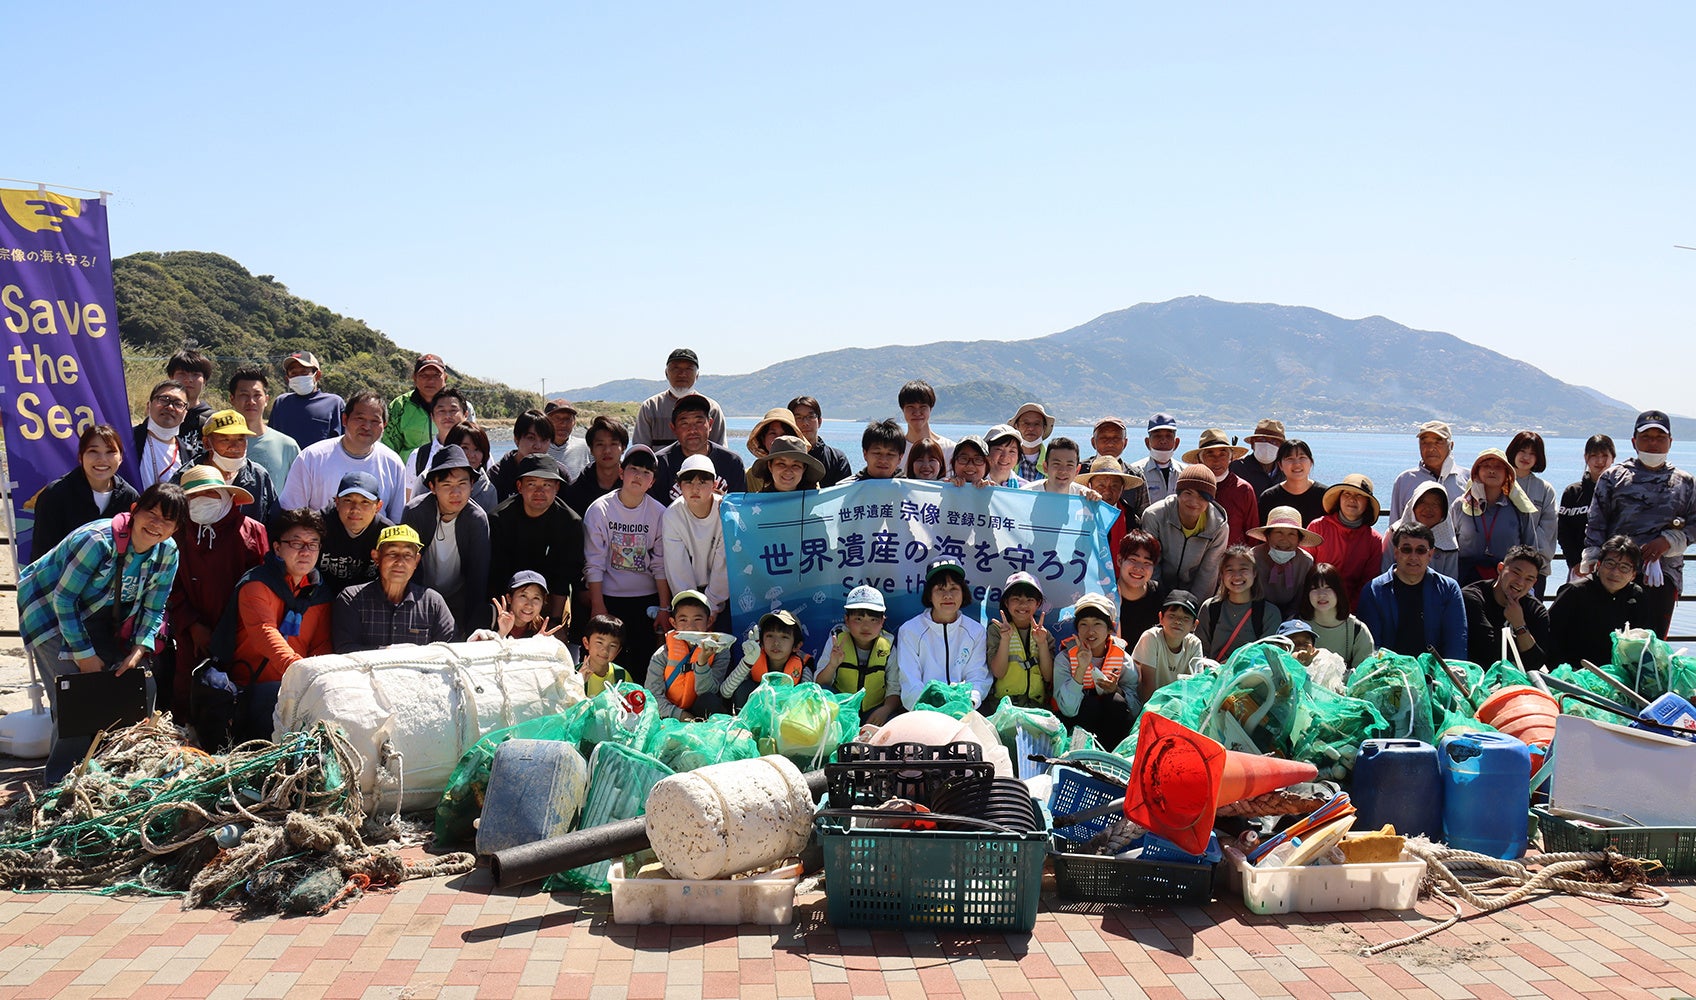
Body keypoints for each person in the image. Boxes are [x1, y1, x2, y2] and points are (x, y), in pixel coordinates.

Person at [18, 483, 185, 782]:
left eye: (168, 520)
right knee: (77, 697)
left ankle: (111, 771)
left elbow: (154, 607)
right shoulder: (97, 541)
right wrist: (84, 657)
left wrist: (138, 649)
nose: (157, 525)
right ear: (135, 511)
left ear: (176, 528)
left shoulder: (168, 553)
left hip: (97, 613)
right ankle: (61, 782)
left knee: (136, 685)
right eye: (151, 513)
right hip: (48, 611)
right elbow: (64, 599)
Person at [1580, 409, 1695, 639]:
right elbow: (1596, 524)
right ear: (1634, 441)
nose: (1653, 443)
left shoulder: (1685, 482)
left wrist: (1669, 541)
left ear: (1670, 442)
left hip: (1662, 577)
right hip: (1614, 576)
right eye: (1646, 437)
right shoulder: (1613, 477)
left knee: (1652, 646)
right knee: (1609, 642)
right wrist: (1593, 563)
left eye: (1660, 437)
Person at [225, 507, 336, 742]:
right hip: (254, 689)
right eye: (297, 543)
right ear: (277, 547)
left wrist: (317, 683)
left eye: (313, 544)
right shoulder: (256, 584)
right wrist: (303, 674)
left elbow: (321, 646)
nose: (306, 551)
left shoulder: (320, 593)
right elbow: (265, 633)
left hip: (299, 692)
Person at [167, 466, 269, 715]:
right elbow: (170, 586)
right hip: (191, 632)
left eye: (211, 493)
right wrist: (192, 625)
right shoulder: (177, 534)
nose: (201, 500)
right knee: (188, 686)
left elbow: (263, 585)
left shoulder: (252, 531)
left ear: (226, 495)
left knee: (238, 686)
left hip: (241, 630)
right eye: (192, 496)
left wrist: (235, 630)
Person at [583, 445, 671, 678]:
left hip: (646, 601)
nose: (639, 476)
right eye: (633, 469)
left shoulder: (659, 513)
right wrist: (597, 604)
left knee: (644, 664)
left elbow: (660, 563)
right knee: (608, 665)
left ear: (652, 482)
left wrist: (664, 607)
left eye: (646, 472)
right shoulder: (599, 510)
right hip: (610, 599)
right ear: (621, 472)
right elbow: (594, 562)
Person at [488, 454, 586, 632]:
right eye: (532, 484)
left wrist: (555, 621)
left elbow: (564, 576)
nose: (540, 491)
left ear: (557, 487)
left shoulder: (570, 522)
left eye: (547, 485)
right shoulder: (499, 519)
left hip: (549, 595)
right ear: (520, 486)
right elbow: (497, 573)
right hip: (510, 596)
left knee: (557, 632)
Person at [401, 446, 490, 640]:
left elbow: (478, 578)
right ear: (432, 487)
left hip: (459, 596)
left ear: (472, 484)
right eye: (447, 485)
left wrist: (473, 628)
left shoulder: (476, 519)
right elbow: (407, 568)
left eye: (462, 484)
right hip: (420, 594)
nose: (456, 492)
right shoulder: (415, 512)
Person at [279, 390, 408, 522]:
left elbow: (397, 519)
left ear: (384, 425)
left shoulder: (393, 463)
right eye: (360, 418)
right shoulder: (312, 457)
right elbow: (291, 512)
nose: (367, 426)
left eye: (375, 421)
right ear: (345, 419)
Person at [331, 524, 456, 652]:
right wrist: (389, 651)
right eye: (392, 553)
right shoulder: (352, 599)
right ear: (376, 557)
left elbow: (449, 651)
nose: (400, 562)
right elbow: (344, 650)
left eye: (407, 555)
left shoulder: (433, 603)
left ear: (416, 561)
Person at [27, 424, 140, 564]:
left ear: (121, 458)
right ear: (80, 457)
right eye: (93, 451)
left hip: (111, 583)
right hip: (64, 582)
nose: (102, 459)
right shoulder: (55, 494)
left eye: (110, 452)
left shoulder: (129, 497)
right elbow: (42, 554)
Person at [1357, 523, 1467, 659]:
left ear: (1430, 554)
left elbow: (1456, 643)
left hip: (1435, 674)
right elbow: (1371, 647)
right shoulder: (1373, 591)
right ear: (1396, 553)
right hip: (1388, 673)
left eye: (1421, 550)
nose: (1413, 557)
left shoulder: (1449, 589)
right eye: (1406, 549)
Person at [893, 559, 989, 710]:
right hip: (922, 713)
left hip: (963, 710)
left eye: (954, 588)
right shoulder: (910, 630)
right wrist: (929, 709)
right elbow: (910, 681)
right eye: (940, 589)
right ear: (929, 595)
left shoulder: (976, 631)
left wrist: (967, 703)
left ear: (963, 592)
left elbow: (977, 677)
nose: (948, 596)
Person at [1550, 535, 1647, 669]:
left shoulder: (1636, 595)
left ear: (1633, 575)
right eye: (1610, 564)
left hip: (1617, 675)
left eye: (1624, 567)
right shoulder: (1574, 592)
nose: (1615, 572)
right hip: (1574, 672)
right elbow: (1549, 637)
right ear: (1599, 565)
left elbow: (1645, 642)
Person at [1054, 593, 1134, 749]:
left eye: (1097, 624)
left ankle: (1112, 757)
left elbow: (1135, 705)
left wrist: (1116, 689)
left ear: (1110, 628)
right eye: (1084, 624)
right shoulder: (1064, 659)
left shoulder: (1123, 658)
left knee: (1116, 702)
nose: (1090, 631)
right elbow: (1068, 710)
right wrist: (1081, 669)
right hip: (1076, 726)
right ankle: (1078, 755)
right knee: (1089, 705)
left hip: (1110, 730)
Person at [813, 585, 901, 725]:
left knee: (897, 721)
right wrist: (832, 665)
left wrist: (885, 709)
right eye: (859, 619)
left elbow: (894, 688)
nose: (866, 626)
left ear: (882, 621)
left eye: (873, 620)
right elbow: (820, 684)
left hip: (874, 712)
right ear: (846, 620)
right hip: (840, 710)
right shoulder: (836, 642)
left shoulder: (888, 646)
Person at [179, 409, 281, 528]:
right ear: (207, 443)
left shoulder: (258, 476)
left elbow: (274, 522)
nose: (234, 447)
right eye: (225, 439)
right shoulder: (186, 477)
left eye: (240, 439)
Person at [1140, 465, 1230, 599]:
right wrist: (1159, 602)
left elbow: (1207, 574)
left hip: (1193, 592)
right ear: (1178, 492)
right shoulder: (1154, 515)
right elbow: (1151, 563)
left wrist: (1191, 609)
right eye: (1188, 493)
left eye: (1202, 496)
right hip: (1156, 590)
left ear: (1210, 500)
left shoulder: (1218, 527)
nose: (1194, 501)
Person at [662, 454, 731, 628]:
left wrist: (712, 607)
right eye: (688, 482)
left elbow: (723, 564)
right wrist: (692, 611)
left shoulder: (726, 512)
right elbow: (677, 567)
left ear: (714, 485)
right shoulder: (672, 515)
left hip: (722, 595)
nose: (695, 488)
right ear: (679, 486)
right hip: (686, 598)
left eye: (702, 482)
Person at [1452, 448, 1538, 586]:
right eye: (1486, 466)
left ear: (1507, 474)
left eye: (1498, 467)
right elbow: (1450, 545)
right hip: (1464, 579)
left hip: (1506, 580)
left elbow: (1530, 547)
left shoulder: (1518, 508)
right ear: (1476, 472)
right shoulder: (1460, 505)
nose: (1492, 471)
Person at [1461, 545, 1553, 670]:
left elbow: (1536, 663)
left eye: (1529, 579)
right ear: (1501, 568)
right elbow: (1487, 651)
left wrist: (1519, 625)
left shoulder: (1536, 610)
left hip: (1518, 682)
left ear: (1534, 583)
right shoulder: (1472, 597)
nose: (1520, 582)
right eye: (1516, 573)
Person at [645, 591, 731, 720]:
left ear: (709, 621)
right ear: (673, 623)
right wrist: (681, 715)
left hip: (702, 711)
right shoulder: (661, 654)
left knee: (710, 700)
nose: (690, 626)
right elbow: (652, 697)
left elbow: (710, 692)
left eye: (697, 619)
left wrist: (702, 664)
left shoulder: (721, 650)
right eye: (683, 620)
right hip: (670, 714)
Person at [649, 393, 747, 502]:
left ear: (710, 424)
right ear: (673, 428)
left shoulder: (732, 462)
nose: (692, 430)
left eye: (699, 422)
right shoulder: (660, 464)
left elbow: (739, 509)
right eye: (684, 423)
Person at [984, 572, 1056, 716]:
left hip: (1037, 707)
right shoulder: (996, 631)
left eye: (1030, 599)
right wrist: (1005, 639)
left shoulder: (1044, 634)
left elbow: (1048, 676)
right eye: (1016, 599)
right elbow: (998, 672)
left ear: (1038, 604)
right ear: (1006, 602)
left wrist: (1042, 644)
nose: (1023, 604)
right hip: (1003, 707)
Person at [1197, 546, 1282, 661]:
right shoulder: (1210, 608)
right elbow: (1200, 652)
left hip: (1252, 676)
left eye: (1243, 569)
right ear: (1221, 575)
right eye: (1230, 570)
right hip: (1213, 675)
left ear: (1254, 573)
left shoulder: (1269, 613)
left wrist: (1235, 664)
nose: (1236, 576)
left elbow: (1267, 656)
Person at [1309, 473, 1384, 604]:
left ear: (1368, 503)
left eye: (1359, 495)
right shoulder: (1317, 527)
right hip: (1315, 603)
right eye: (1347, 494)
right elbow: (1305, 571)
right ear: (1339, 498)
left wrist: (1349, 609)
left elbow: (1368, 581)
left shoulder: (1374, 540)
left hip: (1353, 610)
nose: (1352, 499)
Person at [632, 348, 728, 450]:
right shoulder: (651, 407)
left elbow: (721, 452)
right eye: (675, 368)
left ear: (697, 375)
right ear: (666, 373)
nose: (682, 374)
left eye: (689, 369)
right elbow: (640, 451)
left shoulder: (712, 408)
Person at [226, 366, 299, 493]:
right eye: (244, 395)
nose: (251, 401)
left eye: (257, 395)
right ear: (232, 399)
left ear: (266, 399)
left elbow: (298, 493)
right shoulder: (219, 443)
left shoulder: (288, 446)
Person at [317, 472, 392, 594]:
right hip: (319, 598)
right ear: (337, 502)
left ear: (378, 507)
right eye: (348, 500)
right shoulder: (317, 526)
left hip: (366, 602)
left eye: (365, 502)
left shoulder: (387, 535)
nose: (355, 509)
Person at [1182, 428, 1256, 546]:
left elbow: (1252, 535)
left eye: (1223, 454)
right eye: (1209, 454)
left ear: (1230, 458)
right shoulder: (1190, 489)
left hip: (1232, 561)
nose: (1217, 460)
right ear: (1199, 459)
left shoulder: (1244, 490)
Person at [1506, 430, 1559, 593]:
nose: (1526, 457)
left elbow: (1549, 528)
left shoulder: (1545, 489)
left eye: (1532, 453)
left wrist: (1532, 559)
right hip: (1502, 566)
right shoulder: (1500, 483)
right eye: (1522, 451)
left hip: (1535, 570)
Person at [1298, 563, 1375, 672]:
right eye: (1314, 588)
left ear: (1339, 591)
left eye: (1327, 588)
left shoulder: (1357, 630)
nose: (1321, 594)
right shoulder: (1296, 625)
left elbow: (1364, 674)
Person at [1131, 590, 1204, 702]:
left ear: (1194, 625)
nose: (1178, 622)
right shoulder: (1151, 637)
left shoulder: (1194, 644)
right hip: (1147, 704)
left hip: (1177, 706)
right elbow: (1147, 685)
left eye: (1185, 618)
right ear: (1161, 618)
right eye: (1172, 616)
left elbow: (1194, 686)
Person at [1247, 507, 1319, 618]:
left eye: (1292, 534)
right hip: (1256, 613)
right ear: (1268, 536)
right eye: (1279, 532)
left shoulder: (1305, 562)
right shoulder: (1253, 557)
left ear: (1299, 539)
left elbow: (1301, 598)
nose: (1284, 539)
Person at [1558, 434, 1616, 573]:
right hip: (1580, 569)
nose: (1599, 461)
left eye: (1604, 455)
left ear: (1613, 458)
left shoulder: (1620, 491)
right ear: (1586, 457)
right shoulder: (1572, 492)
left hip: (1613, 568)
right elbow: (1564, 532)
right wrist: (1574, 563)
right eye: (1594, 455)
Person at [382, 352, 459, 456]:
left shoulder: (460, 407)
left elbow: (470, 445)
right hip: (409, 470)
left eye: (436, 375)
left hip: (449, 469)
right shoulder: (399, 405)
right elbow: (389, 448)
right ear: (414, 378)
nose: (430, 380)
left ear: (445, 378)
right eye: (424, 375)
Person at [1383, 481, 1460, 580]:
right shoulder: (1394, 533)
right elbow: (1384, 570)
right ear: (1413, 506)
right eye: (1423, 502)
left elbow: (1451, 580)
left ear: (1444, 511)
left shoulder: (1449, 542)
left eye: (1435, 504)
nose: (1428, 508)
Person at [487, 410, 569, 502]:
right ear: (516, 439)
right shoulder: (498, 474)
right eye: (531, 438)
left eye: (544, 440)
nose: (538, 446)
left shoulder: (560, 474)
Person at [1389, 420, 1464, 517]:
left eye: (1438, 442)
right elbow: (1395, 524)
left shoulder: (1468, 479)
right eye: (1425, 442)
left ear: (1451, 445)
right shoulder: (1405, 480)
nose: (1430, 448)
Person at [269, 350, 344, 447]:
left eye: (304, 372)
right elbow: (272, 438)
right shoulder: (281, 402)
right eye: (293, 373)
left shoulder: (334, 403)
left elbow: (344, 442)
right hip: (288, 462)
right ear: (287, 378)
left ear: (317, 375)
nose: (299, 376)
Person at [1076, 456, 1144, 561]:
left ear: (1122, 488)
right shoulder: (1078, 514)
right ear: (1089, 485)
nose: (1107, 491)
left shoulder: (1131, 519)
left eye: (1114, 486)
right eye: (1101, 486)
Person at [562, 415, 628, 518]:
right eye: (600, 444)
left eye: (613, 444)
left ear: (623, 448)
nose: (607, 451)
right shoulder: (575, 490)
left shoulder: (634, 486)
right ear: (591, 449)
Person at [479, 571, 570, 643]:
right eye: (523, 596)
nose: (529, 605)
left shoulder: (540, 629)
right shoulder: (489, 616)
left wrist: (538, 645)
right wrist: (501, 633)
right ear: (509, 598)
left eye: (536, 598)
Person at [403, 386, 469, 486]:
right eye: (441, 411)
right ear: (432, 416)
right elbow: (411, 499)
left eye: (453, 410)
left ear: (465, 415)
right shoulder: (418, 456)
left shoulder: (479, 452)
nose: (447, 416)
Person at [133, 379, 190, 489]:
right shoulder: (126, 440)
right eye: (164, 400)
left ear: (185, 414)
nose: (170, 407)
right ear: (148, 406)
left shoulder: (188, 455)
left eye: (178, 404)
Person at [432, 421, 499, 515]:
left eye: (477, 449)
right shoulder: (430, 478)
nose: (471, 455)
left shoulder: (488, 491)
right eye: (464, 448)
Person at [787, 395, 853, 488]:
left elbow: (845, 495)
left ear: (820, 421)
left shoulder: (837, 459)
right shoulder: (781, 457)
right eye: (799, 418)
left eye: (810, 416)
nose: (805, 423)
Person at [1258, 439, 1327, 525]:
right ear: (1280, 465)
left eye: (1302, 458)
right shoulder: (1269, 497)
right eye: (1290, 458)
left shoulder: (1326, 496)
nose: (1297, 464)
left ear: (1311, 462)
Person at [1115, 529, 1168, 643]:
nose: (1139, 568)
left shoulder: (1160, 595)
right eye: (1133, 559)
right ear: (1119, 560)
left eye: (1147, 563)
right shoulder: (1105, 596)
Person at [1126, 413, 1186, 505]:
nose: (1163, 441)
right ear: (1147, 442)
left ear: (1176, 443)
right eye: (1157, 436)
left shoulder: (1185, 473)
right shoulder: (1134, 473)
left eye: (1168, 436)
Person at [166, 349, 216, 451]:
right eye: (182, 374)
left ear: (205, 380)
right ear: (171, 377)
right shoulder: (161, 414)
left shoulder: (213, 420)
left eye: (195, 374)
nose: (189, 379)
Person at [744, 407, 803, 493]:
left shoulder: (808, 478)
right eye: (772, 433)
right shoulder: (750, 476)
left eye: (785, 434)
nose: (778, 438)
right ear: (763, 439)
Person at [1021, 437, 1100, 498]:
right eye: (1056, 464)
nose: (1063, 471)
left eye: (1069, 465)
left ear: (1077, 470)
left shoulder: (1085, 498)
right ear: (1045, 467)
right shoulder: (1025, 494)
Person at [898, 380, 954, 466]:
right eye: (910, 407)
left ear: (930, 409)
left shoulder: (950, 449)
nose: (917, 412)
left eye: (922, 407)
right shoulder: (895, 450)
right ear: (903, 409)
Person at [575, 614, 633, 697]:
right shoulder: (573, 674)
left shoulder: (622, 676)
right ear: (586, 643)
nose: (605, 650)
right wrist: (578, 682)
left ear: (618, 650)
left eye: (612, 646)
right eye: (599, 642)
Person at [1231, 418, 1287, 498]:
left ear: (1281, 447)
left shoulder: (1286, 471)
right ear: (1252, 444)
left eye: (1274, 441)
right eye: (1262, 439)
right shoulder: (1237, 468)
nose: (1267, 445)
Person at [750, 435, 824, 494]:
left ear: (804, 469)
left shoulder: (814, 501)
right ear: (770, 466)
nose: (788, 471)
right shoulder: (757, 503)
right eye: (781, 464)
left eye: (795, 465)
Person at [544, 399, 591, 481]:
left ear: (574, 422)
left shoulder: (586, 447)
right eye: (557, 418)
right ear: (545, 422)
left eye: (567, 419)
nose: (563, 423)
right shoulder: (537, 448)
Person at [1010, 402, 1054, 482]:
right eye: (1026, 423)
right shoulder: (1005, 460)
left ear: (1044, 428)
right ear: (1016, 427)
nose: (1031, 428)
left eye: (1037, 424)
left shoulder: (1053, 461)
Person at [984, 424, 1026, 488]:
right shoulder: (972, 484)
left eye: (1012, 451)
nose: (1005, 456)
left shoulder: (1025, 489)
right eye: (999, 449)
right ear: (986, 452)